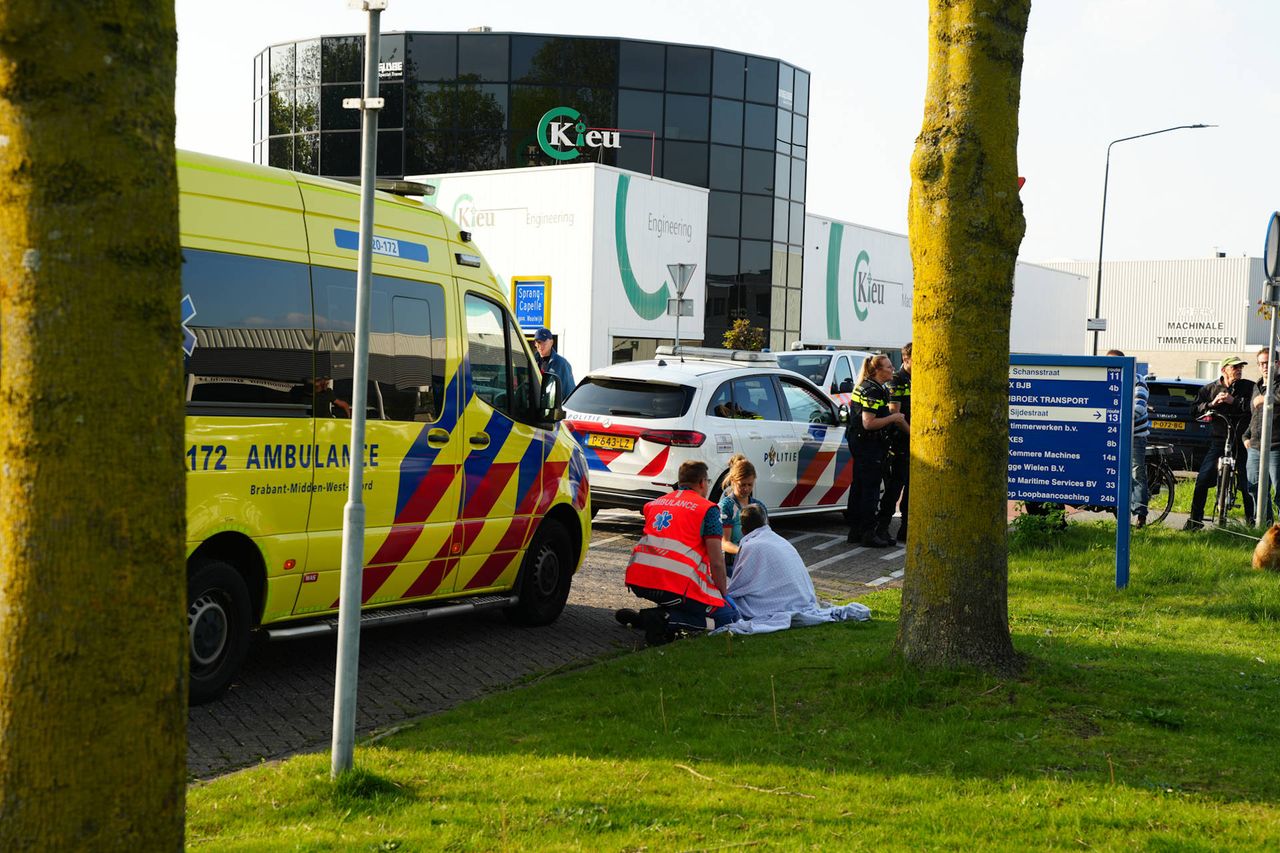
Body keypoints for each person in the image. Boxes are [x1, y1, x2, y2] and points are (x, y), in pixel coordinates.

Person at [615, 460, 736, 643]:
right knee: (728, 617)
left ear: (680, 481)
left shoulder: (654, 504)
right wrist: (722, 596)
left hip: (639, 580)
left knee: (685, 601)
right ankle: (666, 619)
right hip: (675, 585)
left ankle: (646, 620)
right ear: (703, 483)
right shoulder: (708, 510)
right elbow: (717, 562)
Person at [845, 353, 908, 547]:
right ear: (877, 371)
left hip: (861, 443)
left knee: (859, 487)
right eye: (888, 367)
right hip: (868, 445)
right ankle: (868, 534)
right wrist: (894, 418)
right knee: (870, 490)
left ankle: (855, 531)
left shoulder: (869, 386)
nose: (892, 369)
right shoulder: (873, 390)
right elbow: (869, 423)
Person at [1185, 356, 1255, 530]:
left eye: (1240, 367)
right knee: (1202, 480)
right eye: (1234, 367)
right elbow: (1194, 411)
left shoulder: (1249, 386)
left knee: (1247, 484)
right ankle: (1195, 521)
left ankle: (1252, 524)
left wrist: (1235, 401)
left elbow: (1256, 406)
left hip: (1241, 441)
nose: (1239, 370)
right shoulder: (1209, 389)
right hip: (1219, 441)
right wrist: (1211, 404)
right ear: (1224, 370)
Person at [726, 505, 818, 619]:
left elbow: (739, 586)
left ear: (742, 529)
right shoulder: (779, 539)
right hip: (802, 597)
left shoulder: (751, 546)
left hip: (781, 602)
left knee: (731, 602)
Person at [1107, 350, 1150, 527]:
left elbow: (1139, 407)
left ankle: (1139, 515)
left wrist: (1114, 418)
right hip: (1112, 434)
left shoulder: (1137, 380)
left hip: (1134, 435)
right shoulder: (1108, 379)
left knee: (1136, 473)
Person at [875, 342, 912, 543]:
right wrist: (913, 435)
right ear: (906, 360)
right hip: (899, 443)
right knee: (894, 488)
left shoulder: (916, 378)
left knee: (912, 489)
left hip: (911, 442)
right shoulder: (897, 381)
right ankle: (882, 528)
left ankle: (906, 530)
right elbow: (895, 413)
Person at [1244, 348, 1280, 525]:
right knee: (1255, 489)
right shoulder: (1256, 386)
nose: (1265, 366)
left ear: (1277, 364)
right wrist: (1246, 436)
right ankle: (1265, 528)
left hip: (1276, 446)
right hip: (1255, 447)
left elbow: (1276, 399)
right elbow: (1254, 416)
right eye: (1262, 363)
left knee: (1279, 493)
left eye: (1268, 362)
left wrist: (1267, 399)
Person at [718, 454, 768, 574]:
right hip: (733, 567)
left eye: (750, 485)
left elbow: (767, 536)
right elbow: (724, 543)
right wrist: (744, 550)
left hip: (755, 564)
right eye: (742, 485)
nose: (746, 489)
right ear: (733, 481)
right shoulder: (726, 506)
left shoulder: (759, 506)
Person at [532, 327, 575, 395]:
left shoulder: (562, 364)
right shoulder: (532, 361)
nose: (540, 345)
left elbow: (569, 392)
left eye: (544, 342)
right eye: (538, 342)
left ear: (551, 342)